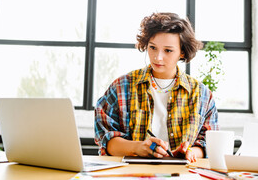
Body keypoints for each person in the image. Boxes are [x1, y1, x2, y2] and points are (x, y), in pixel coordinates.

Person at [94, 12, 219, 162]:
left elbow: (208, 143)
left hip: (184, 177)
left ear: (182, 52)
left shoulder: (202, 95)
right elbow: (106, 141)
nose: (157, 57)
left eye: (168, 50)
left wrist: (190, 153)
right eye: (153, 48)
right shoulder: (121, 87)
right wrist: (137, 147)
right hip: (131, 176)